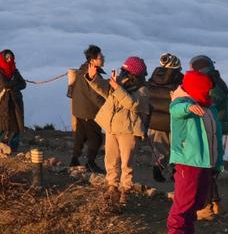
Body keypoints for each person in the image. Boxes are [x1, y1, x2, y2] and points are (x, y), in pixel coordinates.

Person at [167, 70, 223, 234]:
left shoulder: (209, 107)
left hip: (206, 163)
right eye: (206, 90)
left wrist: (217, 162)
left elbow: (215, 136)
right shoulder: (182, 103)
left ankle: (187, 233)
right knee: (184, 201)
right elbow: (175, 110)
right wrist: (188, 108)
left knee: (198, 201)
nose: (209, 94)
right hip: (187, 161)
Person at [89, 56, 150, 207]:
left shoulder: (143, 89)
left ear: (133, 74)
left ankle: (125, 190)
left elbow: (133, 104)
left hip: (128, 130)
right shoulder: (121, 83)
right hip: (112, 127)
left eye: (125, 71)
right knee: (111, 160)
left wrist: (117, 88)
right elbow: (106, 92)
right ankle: (112, 187)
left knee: (126, 162)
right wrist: (93, 78)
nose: (122, 73)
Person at [189, 55, 228, 218]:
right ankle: (215, 203)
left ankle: (206, 206)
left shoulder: (212, 84)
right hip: (215, 127)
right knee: (209, 168)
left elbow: (208, 101)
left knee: (206, 168)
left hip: (212, 128)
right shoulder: (217, 81)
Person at [68, 45, 106, 171]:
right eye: (100, 57)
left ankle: (74, 159)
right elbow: (95, 96)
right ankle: (90, 163)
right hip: (89, 112)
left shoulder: (81, 70)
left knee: (80, 135)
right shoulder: (92, 75)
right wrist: (108, 107)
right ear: (92, 61)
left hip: (79, 110)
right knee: (96, 138)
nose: (103, 59)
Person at [146, 53, 183, 182]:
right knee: (177, 147)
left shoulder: (153, 79)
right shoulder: (179, 81)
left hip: (155, 119)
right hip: (175, 119)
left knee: (159, 147)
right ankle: (175, 173)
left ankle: (157, 169)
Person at [0, 50, 26, 153]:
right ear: (2, 59)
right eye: (7, 58)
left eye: (11, 57)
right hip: (4, 101)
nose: (9, 59)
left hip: (15, 101)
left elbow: (23, 84)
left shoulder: (15, 70)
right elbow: (3, 84)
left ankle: (13, 147)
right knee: (2, 125)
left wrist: (11, 86)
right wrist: (15, 83)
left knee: (16, 124)